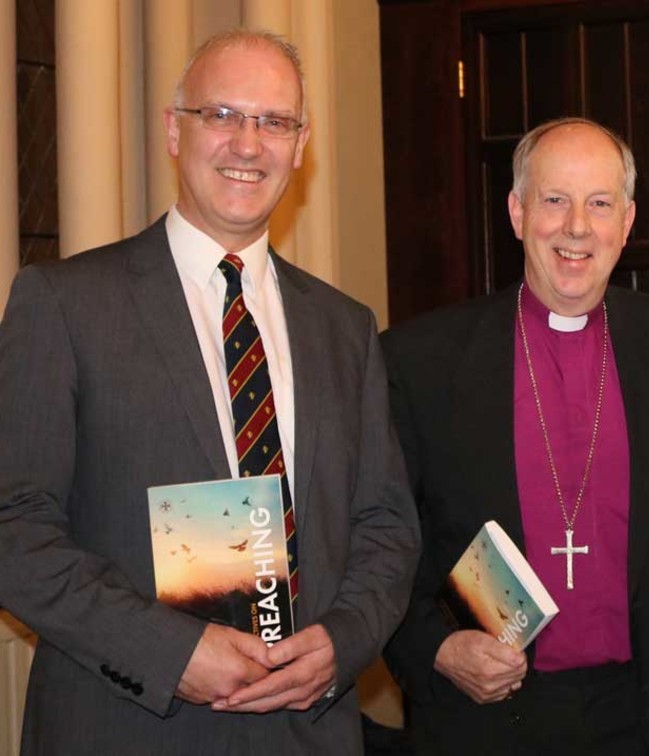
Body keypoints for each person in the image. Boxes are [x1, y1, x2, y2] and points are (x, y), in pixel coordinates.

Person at [0, 30, 420, 754]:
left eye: (273, 122)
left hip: (306, 729)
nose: (247, 144)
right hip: (126, 726)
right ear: (174, 129)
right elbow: (14, 527)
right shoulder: (65, 304)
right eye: (222, 115)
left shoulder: (345, 328)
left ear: (300, 144)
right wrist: (170, 653)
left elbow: (385, 526)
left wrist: (341, 642)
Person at [381, 117, 649, 754]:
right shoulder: (419, 360)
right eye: (554, 201)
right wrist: (436, 647)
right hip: (486, 716)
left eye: (599, 204)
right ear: (516, 212)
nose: (576, 227)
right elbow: (382, 538)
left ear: (627, 221)